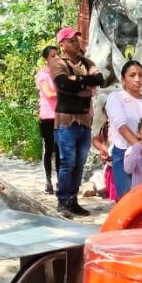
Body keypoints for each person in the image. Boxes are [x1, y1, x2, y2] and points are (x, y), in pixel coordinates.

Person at [50, 27, 104, 218]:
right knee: (67, 162)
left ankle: (73, 200)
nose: (75, 43)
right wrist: (85, 86)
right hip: (66, 121)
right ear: (62, 44)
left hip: (84, 120)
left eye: (76, 40)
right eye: (71, 40)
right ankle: (63, 201)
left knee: (79, 163)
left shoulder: (87, 62)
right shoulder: (57, 62)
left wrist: (77, 81)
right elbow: (63, 84)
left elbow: (99, 79)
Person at [105, 60, 142, 201]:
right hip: (124, 153)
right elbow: (121, 126)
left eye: (141, 75)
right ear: (123, 79)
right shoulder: (115, 98)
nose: (137, 79)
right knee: (128, 200)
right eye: (132, 75)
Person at [35, 45, 60, 194]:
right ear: (46, 59)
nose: (56, 58)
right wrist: (65, 90)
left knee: (60, 149)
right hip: (47, 117)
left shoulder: (61, 73)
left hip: (61, 116)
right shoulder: (43, 75)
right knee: (49, 149)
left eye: (57, 55)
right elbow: (49, 94)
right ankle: (48, 180)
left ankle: (60, 181)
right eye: (52, 56)